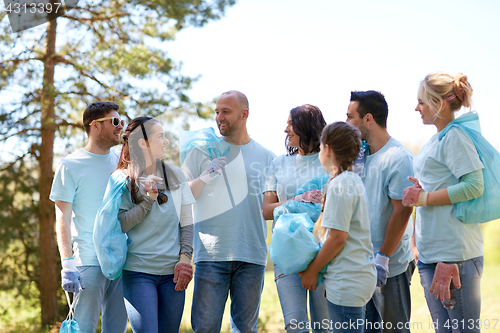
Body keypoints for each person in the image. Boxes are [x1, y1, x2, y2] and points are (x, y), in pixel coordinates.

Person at [182, 90, 276, 333]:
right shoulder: (202, 151)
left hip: (251, 256)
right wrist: (206, 175)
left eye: (226, 111)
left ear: (244, 114)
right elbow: (183, 197)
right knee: (205, 328)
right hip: (211, 254)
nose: (219, 117)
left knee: (245, 329)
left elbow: (272, 207)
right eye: (216, 111)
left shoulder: (267, 157)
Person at [95, 117, 196, 332]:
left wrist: (185, 260)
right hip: (138, 273)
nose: (166, 141)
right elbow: (120, 224)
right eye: (160, 136)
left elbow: (186, 223)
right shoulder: (121, 179)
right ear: (143, 143)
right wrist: (148, 200)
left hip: (173, 274)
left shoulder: (177, 175)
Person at [403, 73, 484, 333]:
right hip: (431, 255)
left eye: (422, 102)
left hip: (452, 256)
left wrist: (425, 197)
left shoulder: (455, 137)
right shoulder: (435, 140)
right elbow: (443, 188)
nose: (417, 108)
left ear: (439, 104)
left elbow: (474, 185)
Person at [49, 101, 127, 333]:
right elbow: (62, 216)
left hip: (121, 260)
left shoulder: (121, 161)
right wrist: (67, 263)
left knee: (117, 329)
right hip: (88, 262)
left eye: (121, 121)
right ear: (95, 125)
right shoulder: (71, 164)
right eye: (114, 121)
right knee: (83, 328)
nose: (120, 126)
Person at [346, 91, 415, 332]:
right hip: (362, 266)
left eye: (349, 116)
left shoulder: (398, 157)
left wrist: (383, 258)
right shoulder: (360, 157)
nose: (346, 123)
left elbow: (403, 211)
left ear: (368, 119)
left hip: (389, 266)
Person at [300, 121, 376, 333]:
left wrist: (312, 271)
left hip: (348, 279)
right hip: (354, 276)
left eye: (321, 146)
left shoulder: (341, 185)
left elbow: (338, 238)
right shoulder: (352, 180)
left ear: (328, 149)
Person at [262, 104, 330, 333]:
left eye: (291, 124)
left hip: (323, 252)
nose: (285, 130)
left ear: (307, 127)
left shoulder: (329, 162)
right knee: (295, 326)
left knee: (325, 326)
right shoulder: (278, 164)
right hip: (288, 250)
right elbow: (266, 210)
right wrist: (297, 198)